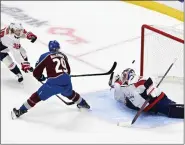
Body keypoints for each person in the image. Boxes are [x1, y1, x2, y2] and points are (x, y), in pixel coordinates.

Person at [11, 40, 90, 119]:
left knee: (37, 96)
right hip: (67, 80)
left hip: (54, 83)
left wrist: (40, 77)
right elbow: (68, 71)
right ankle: (83, 103)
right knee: (70, 93)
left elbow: (36, 72)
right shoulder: (63, 56)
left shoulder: (46, 55)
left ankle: (20, 111)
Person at [108, 68, 184, 119]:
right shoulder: (123, 87)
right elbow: (118, 93)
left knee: (171, 109)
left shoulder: (137, 81)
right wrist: (114, 82)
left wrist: (150, 89)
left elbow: (150, 81)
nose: (123, 78)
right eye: (122, 76)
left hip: (156, 101)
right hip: (149, 106)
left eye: (125, 75)